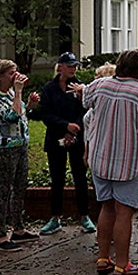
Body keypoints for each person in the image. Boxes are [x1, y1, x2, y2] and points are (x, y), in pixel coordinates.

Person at [82, 49, 138, 275]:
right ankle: (122, 265)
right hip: (128, 161)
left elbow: (84, 98)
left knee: (106, 208)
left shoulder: (102, 84)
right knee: (124, 212)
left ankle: (102, 258)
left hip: (100, 158)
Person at [0, 59, 39, 252]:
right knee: (4, 189)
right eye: (10, 73)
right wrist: (20, 92)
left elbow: (20, 114)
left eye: (16, 71)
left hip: (19, 145)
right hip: (2, 148)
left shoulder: (11, 93)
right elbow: (10, 116)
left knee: (20, 186)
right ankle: (1, 235)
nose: (15, 76)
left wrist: (29, 104)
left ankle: (19, 229)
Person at [35, 52, 96, 236]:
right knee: (57, 179)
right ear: (60, 67)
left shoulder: (79, 87)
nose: (73, 69)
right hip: (56, 138)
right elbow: (45, 114)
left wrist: (75, 128)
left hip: (76, 137)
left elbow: (85, 108)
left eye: (75, 66)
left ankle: (84, 216)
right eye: (69, 65)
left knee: (80, 177)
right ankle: (55, 217)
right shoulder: (49, 89)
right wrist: (65, 127)